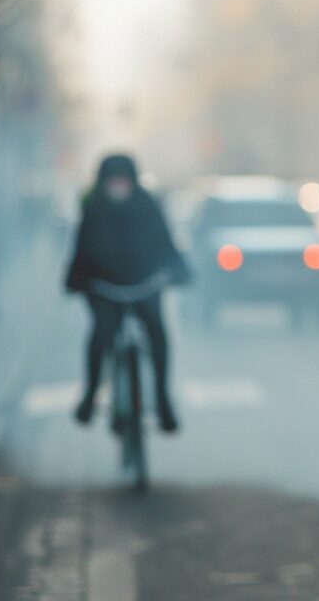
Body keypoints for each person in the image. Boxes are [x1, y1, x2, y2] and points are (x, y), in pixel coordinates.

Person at [65, 154, 188, 432]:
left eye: (123, 181)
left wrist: (180, 271)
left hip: (144, 285)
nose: (118, 187)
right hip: (105, 289)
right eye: (113, 182)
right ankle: (90, 395)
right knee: (100, 337)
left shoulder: (148, 206)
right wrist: (75, 280)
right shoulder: (93, 209)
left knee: (157, 335)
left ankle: (163, 401)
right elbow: (81, 249)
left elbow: (165, 242)